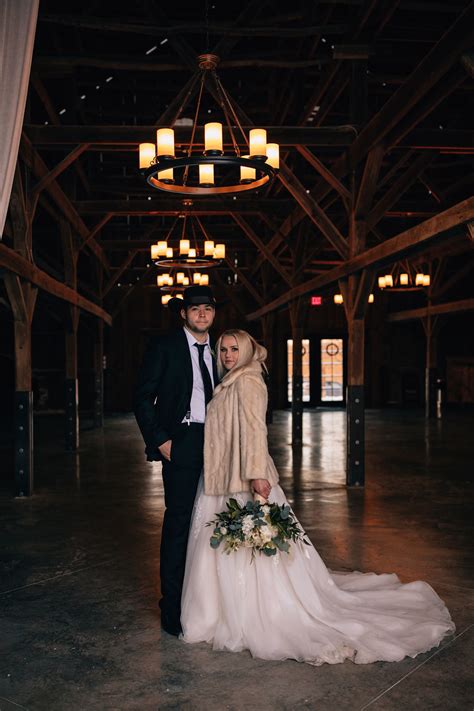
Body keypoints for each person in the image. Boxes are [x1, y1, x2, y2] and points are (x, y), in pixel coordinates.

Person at [181, 329, 455, 665]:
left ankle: (251, 612)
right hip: (221, 476)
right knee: (222, 545)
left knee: (250, 548)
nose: (227, 355)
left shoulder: (249, 381)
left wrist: (256, 476)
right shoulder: (232, 380)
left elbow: (255, 431)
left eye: (234, 349)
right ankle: (219, 610)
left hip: (243, 477)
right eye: (223, 349)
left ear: (249, 351)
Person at [134, 285, 218, 636]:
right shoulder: (165, 346)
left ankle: (211, 601)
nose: (202, 314)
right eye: (195, 308)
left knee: (215, 519)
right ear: (183, 313)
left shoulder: (223, 348)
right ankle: (171, 607)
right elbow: (141, 397)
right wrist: (161, 441)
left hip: (219, 445)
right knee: (180, 523)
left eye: (208, 309)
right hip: (181, 442)